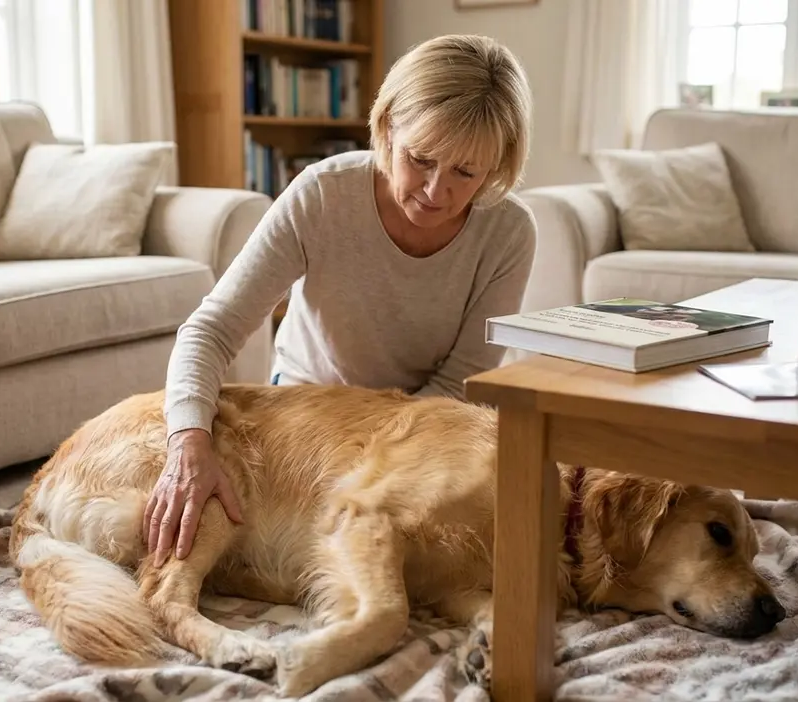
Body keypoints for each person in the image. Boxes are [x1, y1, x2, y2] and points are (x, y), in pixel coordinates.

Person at [145, 33, 537, 564]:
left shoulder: (510, 231)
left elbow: (461, 379)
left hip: (430, 418)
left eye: (466, 173)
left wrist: (378, 466)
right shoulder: (323, 193)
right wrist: (187, 444)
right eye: (420, 159)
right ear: (387, 126)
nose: (435, 191)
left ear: (496, 168)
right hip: (310, 412)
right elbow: (211, 329)